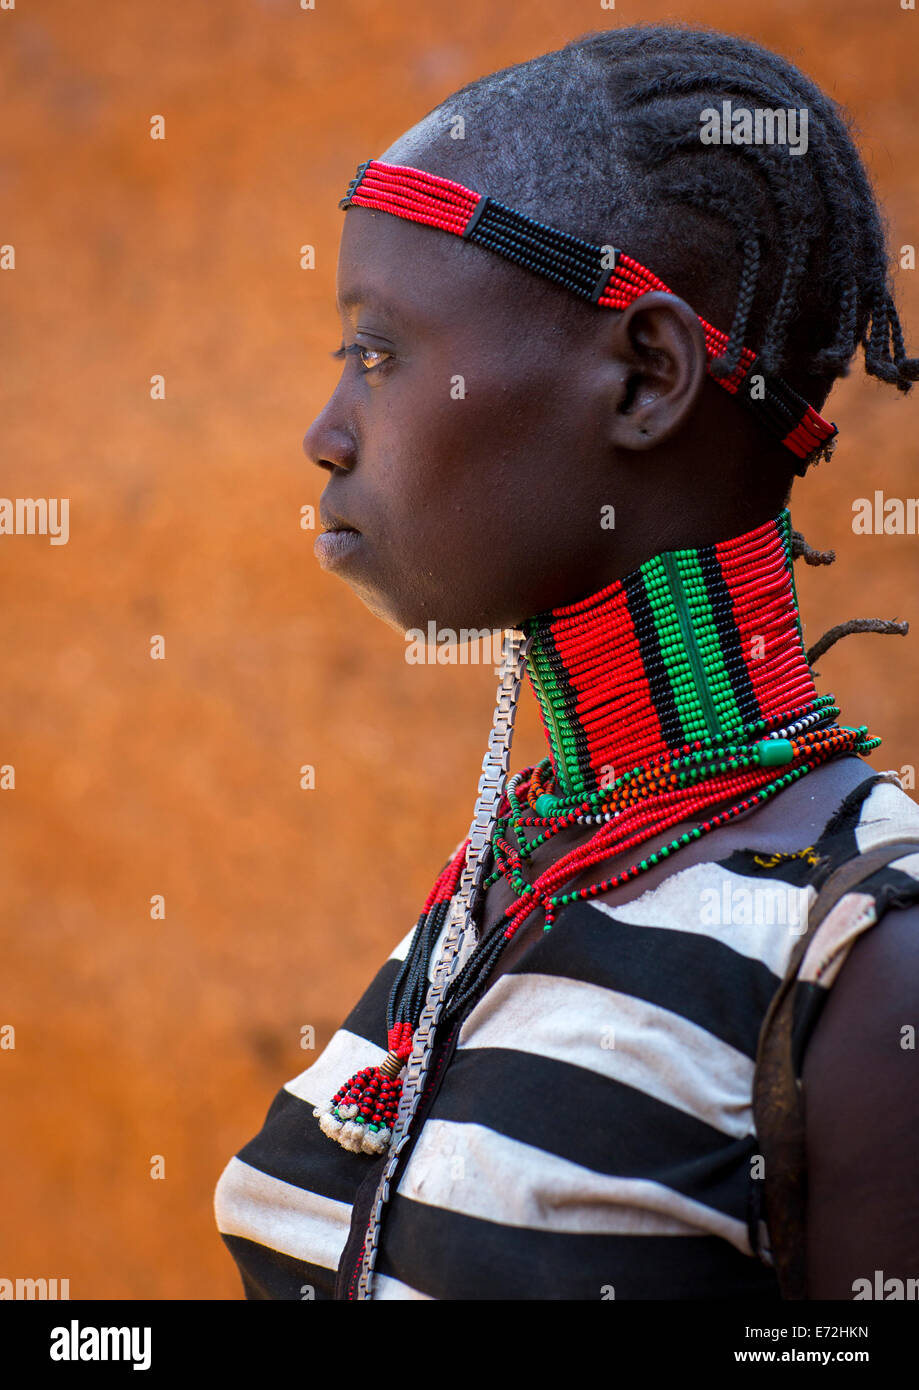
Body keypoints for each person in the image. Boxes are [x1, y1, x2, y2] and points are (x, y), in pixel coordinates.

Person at [214, 23, 919, 1300]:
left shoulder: (865, 964)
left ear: (645, 377)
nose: (326, 436)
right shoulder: (514, 877)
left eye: (379, 354)